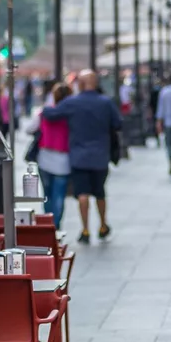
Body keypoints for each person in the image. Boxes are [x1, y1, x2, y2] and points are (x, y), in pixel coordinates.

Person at [43, 70, 125, 244]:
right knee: (100, 192)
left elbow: (51, 114)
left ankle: (85, 229)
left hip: (79, 155)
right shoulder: (106, 102)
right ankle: (103, 225)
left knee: (82, 193)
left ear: (80, 84)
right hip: (100, 155)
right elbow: (118, 123)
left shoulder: (73, 102)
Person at [36, 84, 74, 227]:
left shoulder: (45, 112)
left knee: (47, 194)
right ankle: (55, 224)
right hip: (63, 160)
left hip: (44, 157)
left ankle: (46, 222)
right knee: (59, 195)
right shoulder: (71, 116)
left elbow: (30, 129)